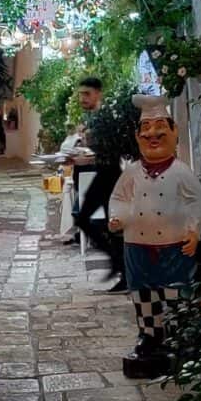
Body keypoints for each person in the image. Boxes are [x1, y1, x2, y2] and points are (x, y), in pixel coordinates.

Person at [109, 95, 201, 377]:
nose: (153, 134)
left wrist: (193, 231)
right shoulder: (130, 174)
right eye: (146, 129)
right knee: (143, 292)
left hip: (174, 246)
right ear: (138, 136)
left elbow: (196, 202)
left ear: (174, 132)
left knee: (175, 290)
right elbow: (119, 197)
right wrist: (117, 216)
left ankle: (178, 335)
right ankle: (149, 336)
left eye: (160, 126)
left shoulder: (182, 173)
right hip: (137, 245)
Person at [69, 77, 127, 293]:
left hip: (110, 175)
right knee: (86, 219)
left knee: (110, 224)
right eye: (81, 94)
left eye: (87, 94)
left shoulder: (105, 117)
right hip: (102, 174)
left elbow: (111, 151)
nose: (82, 98)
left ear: (98, 93)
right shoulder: (93, 118)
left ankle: (121, 267)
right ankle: (117, 263)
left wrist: (87, 156)